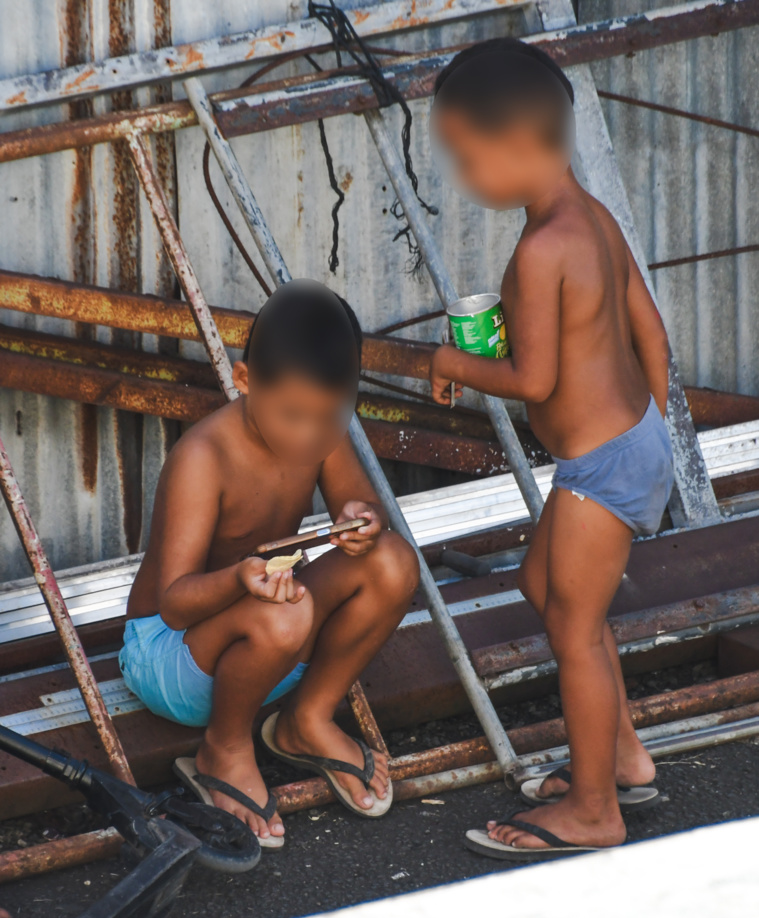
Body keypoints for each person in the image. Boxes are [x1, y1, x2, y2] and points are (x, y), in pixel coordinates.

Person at [428, 39, 673, 859]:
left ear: (517, 146)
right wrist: (655, 421)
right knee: (547, 585)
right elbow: (646, 321)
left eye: (467, 159)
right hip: (625, 444)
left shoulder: (538, 252)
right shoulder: (587, 215)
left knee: (572, 625)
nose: (465, 179)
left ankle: (596, 808)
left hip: (601, 464)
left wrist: (454, 361)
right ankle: (624, 755)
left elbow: (531, 378)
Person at [120, 279, 418, 847]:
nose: (310, 436)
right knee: (285, 614)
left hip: (270, 630)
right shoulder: (203, 458)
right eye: (292, 415)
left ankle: (307, 719)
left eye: (331, 417)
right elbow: (176, 604)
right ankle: (223, 750)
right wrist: (240, 580)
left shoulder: (322, 431)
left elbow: (365, 509)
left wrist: (362, 520)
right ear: (244, 379)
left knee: (394, 562)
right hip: (170, 656)